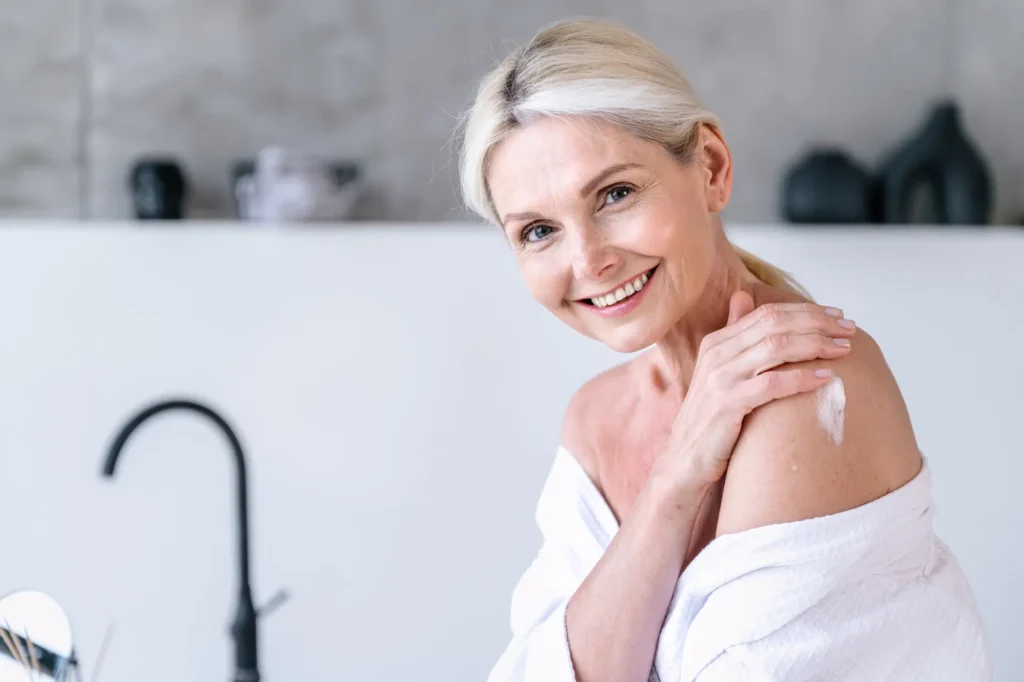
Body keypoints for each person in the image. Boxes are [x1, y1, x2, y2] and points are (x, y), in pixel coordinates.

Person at [457, 17, 992, 682]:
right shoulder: (596, 421)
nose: (588, 260)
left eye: (615, 193)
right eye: (538, 231)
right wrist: (676, 478)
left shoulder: (806, 382)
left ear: (710, 167)